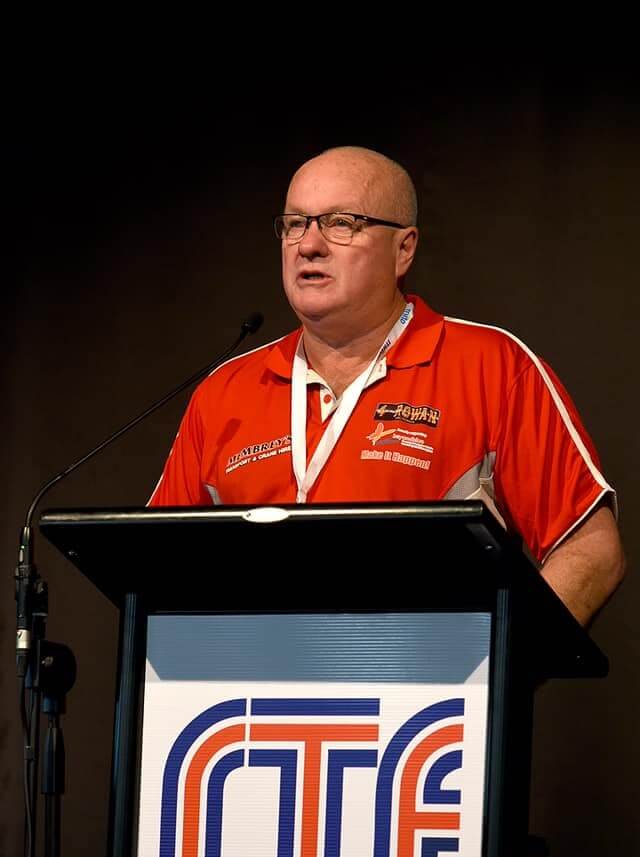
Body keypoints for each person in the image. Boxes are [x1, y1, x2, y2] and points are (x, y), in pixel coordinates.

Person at [148, 146, 625, 625]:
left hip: (425, 671)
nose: (308, 245)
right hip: (255, 672)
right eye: (295, 224)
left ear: (404, 250)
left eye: (341, 223)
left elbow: (591, 551)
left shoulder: (492, 367)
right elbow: (154, 568)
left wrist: (499, 661)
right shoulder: (225, 391)